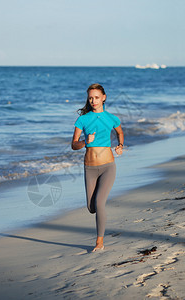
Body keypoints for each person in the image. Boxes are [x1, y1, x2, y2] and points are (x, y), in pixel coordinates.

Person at [71, 83, 124, 252]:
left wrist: (120, 145)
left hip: (108, 166)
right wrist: (87, 141)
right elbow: (73, 145)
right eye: (90, 98)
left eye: (96, 97)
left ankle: (99, 242)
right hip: (90, 168)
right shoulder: (83, 119)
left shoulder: (111, 118)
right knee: (91, 207)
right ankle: (98, 224)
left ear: (104, 98)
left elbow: (120, 132)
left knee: (100, 203)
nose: (93, 100)